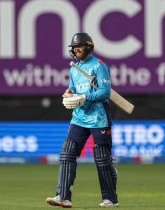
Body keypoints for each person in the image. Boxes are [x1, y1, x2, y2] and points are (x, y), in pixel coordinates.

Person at [46, 33, 118, 208]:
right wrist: (69, 93)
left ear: (89, 47)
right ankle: (63, 196)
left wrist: (85, 97)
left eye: (79, 46)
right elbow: (73, 87)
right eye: (74, 47)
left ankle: (110, 199)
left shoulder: (99, 66)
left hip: (98, 119)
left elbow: (105, 92)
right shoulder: (74, 68)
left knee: (101, 158)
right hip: (79, 118)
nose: (76, 49)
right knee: (67, 153)